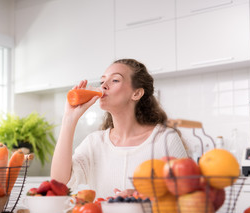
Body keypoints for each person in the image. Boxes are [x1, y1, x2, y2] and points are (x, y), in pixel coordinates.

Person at [50, 58, 187, 198]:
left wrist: (141, 195)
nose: (103, 86)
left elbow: (186, 192)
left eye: (115, 80)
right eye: (102, 81)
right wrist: (69, 119)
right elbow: (59, 183)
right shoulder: (94, 142)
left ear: (137, 93)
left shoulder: (165, 139)